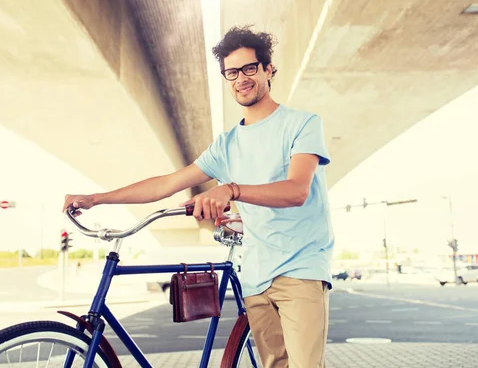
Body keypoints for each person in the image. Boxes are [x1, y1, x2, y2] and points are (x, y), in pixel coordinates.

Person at [63, 25, 333, 368]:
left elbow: (297, 191)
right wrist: (96, 198)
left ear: (268, 69)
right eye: (231, 72)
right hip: (255, 273)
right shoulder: (226, 145)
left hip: (301, 267)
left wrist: (231, 189)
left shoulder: (302, 124)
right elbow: (167, 183)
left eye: (249, 68)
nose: (241, 79)